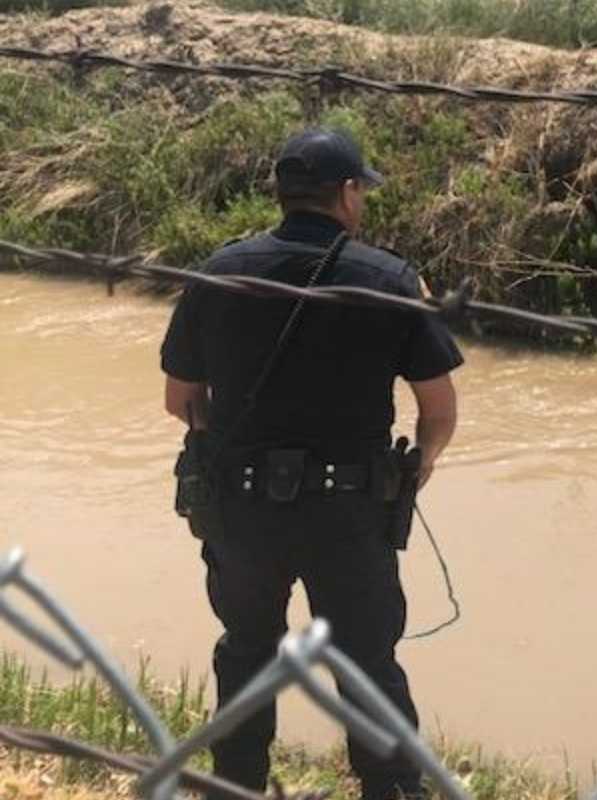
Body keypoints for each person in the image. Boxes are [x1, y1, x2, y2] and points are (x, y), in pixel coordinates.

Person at [160, 127, 462, 800]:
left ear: (281, 195)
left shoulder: (217, 270)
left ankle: (236, 787)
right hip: (349, 514)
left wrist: (234, 446)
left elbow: (181, 400)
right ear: (348, 194)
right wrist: (421, 465)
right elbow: (438, 409)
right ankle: (392, 792)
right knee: (365, 665)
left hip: (240, 509)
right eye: (362, 191)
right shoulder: (388, 280)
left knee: (246, 653)